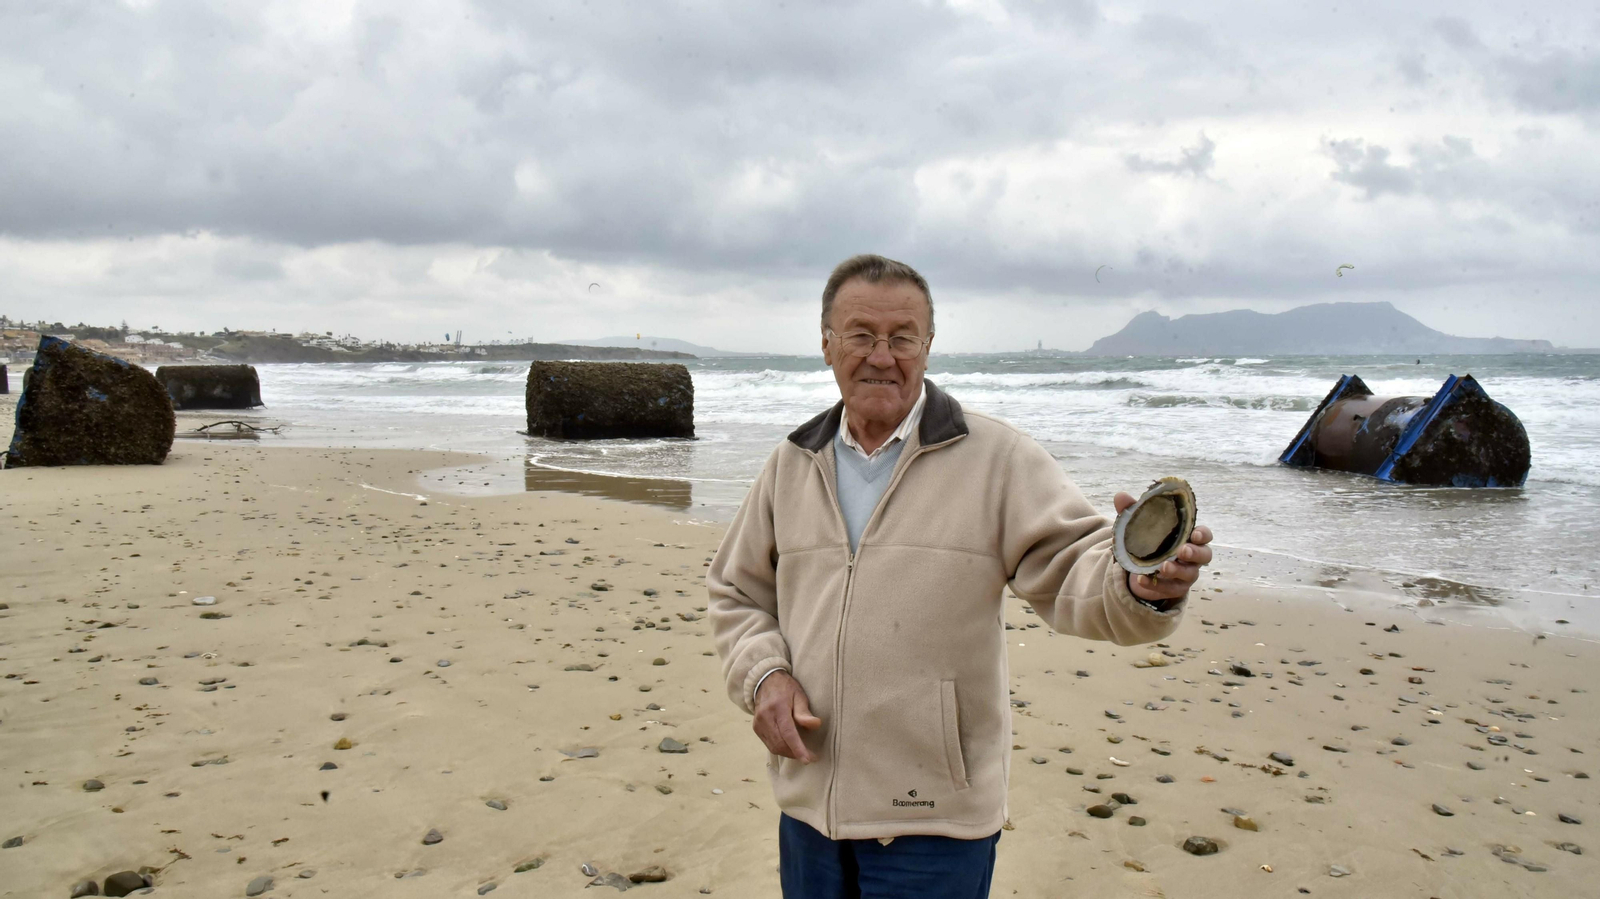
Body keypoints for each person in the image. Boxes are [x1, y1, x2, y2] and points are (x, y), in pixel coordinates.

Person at [709, 254, 1213, 898]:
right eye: (861, 335)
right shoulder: (792, 463)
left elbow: (1074, 571)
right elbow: (737, 590)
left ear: (928, 345)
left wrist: (1138, 584)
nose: (882, 356)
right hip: (810, 805)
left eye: (903, 338)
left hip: (935, 819)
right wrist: (764, 677)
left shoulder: (997, 459)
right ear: (827, 344)